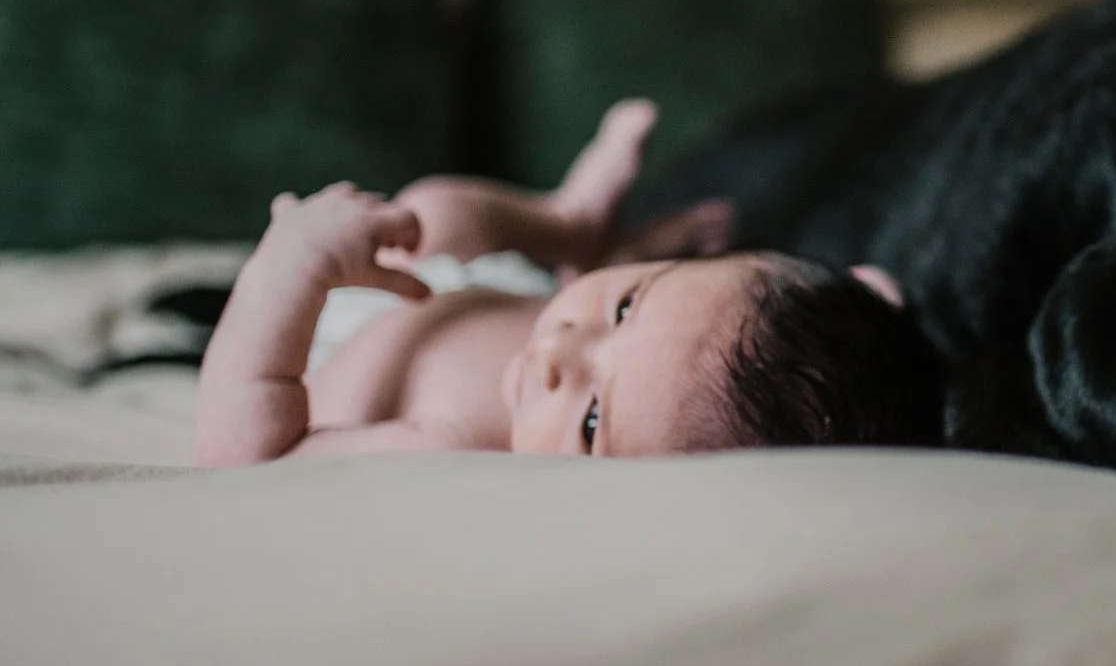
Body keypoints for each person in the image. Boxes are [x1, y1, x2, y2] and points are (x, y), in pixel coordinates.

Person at [192, 100, 941, 466]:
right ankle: (568, 225)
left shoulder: (448, 449)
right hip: (498, 282)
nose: (560, 352)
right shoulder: (566, 335)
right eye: (627, 302)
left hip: (324, 334)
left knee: (432, 210)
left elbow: (247, 454)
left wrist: (291, 266)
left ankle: (593, 254)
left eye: (590, 424)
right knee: (436, 217)